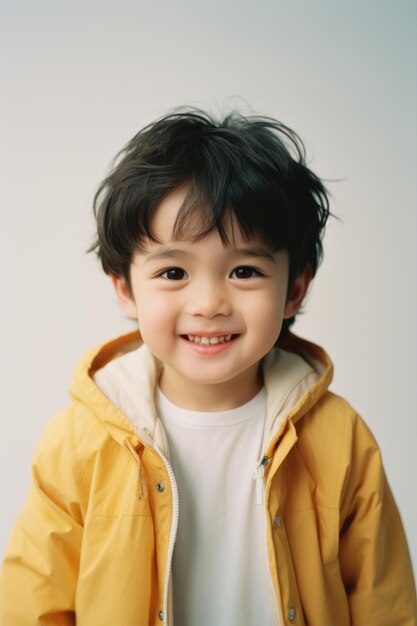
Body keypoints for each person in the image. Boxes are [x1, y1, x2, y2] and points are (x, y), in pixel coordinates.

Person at [1, 109, 416, 626]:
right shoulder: (80, 443)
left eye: (245, 270)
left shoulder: (340, 438)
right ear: (125, 288)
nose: (208, 302)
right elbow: (31, 605)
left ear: (296, 289)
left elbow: (387, 605)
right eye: (173, 271)